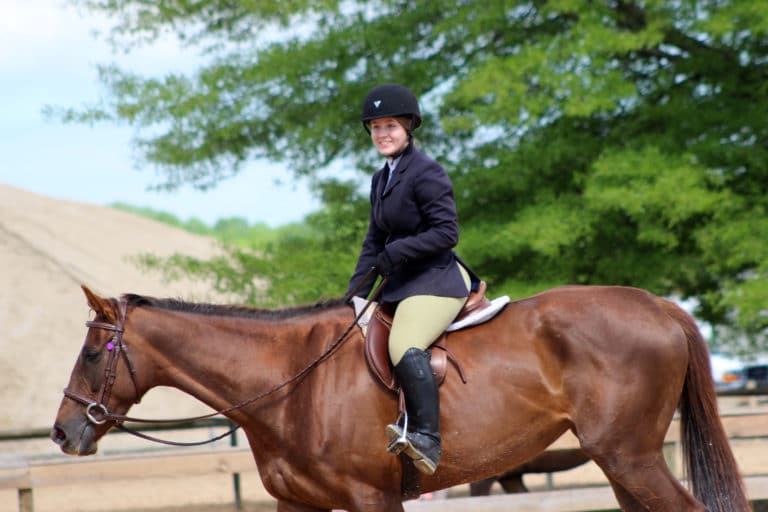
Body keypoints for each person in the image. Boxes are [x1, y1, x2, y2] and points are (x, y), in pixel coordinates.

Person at [347, 83, 476, 475]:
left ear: (408, 127)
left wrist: (397, 252)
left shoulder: (427, 173)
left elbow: (446, 232)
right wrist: (352, 296)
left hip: (436, 280)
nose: (382, 134)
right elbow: (374, 241)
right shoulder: (380, 178)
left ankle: (426, 439)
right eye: (375, 127)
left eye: (390, 126)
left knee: (404, 343)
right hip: (403, 282)